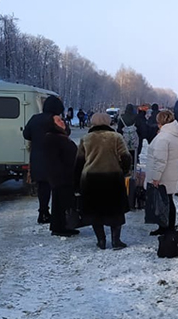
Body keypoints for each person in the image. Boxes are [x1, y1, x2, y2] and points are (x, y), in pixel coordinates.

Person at [75, 113, 131, 250]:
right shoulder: (116, 137)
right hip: (113, 178)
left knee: (95, 211)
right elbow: (126, 157)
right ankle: (116, 241)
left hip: (91, 180)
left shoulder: (86, 139)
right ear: (108, 122)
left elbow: (79, 162)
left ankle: (101, 240)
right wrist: (123, 171)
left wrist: (76, 182)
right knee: (116, 211)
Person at [23, 95, 68, 224]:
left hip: (38, 158)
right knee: (57, 187)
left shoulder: (35, 119)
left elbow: (26, 134)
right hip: (55, 158)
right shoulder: (56, 120)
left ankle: (43, 212)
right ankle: (58, 215)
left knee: (43, 187)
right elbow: (66, 133)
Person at [145, 110, 178, 235]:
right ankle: (168, 226)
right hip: (171, 172)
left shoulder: (163, 137)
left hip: (163, 175)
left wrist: (155, 177)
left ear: (160, 122)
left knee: (163, 202)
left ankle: (166, 227)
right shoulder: (175, 134)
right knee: (168, 200)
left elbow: (160, 160)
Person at [44, 115, 80, 237]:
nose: (62, 122)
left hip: (67, 174)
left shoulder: (60, 136)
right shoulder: (52, 138)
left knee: (64, 201)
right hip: (61, 175)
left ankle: (64, 225)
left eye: (62, 119)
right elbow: (53, 160)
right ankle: (59, 227)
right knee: (60, 202)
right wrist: (59, 175)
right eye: (58, 120)